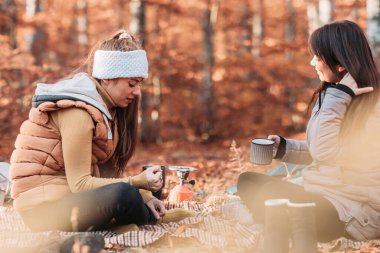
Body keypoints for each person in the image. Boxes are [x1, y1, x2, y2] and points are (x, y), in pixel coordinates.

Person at [9, 30, 191, 232]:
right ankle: (149, 220)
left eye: (139, 84)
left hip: (71, 200)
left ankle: (144, 214)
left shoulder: (105, 111)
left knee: (146, 187)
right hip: (43, 212)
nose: (137, 92)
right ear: (107, 78)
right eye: (131, 84)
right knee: (124, 193)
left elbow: (109, 172)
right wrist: (136, 183)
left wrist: (146, 195)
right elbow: (80, 184)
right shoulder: (78, 113)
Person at [238, 20, 380, 242]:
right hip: (322, 195)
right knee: (248, 181)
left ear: (340, 64)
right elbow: (331, 153)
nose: (312, 62)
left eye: (318, 56)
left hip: (352, 212)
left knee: (270, 196)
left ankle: (266, 222)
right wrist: (285, 149)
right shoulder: (335, 95)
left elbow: (326, 152)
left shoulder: (371, 105)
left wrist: (339, 95)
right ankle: (272, 221)